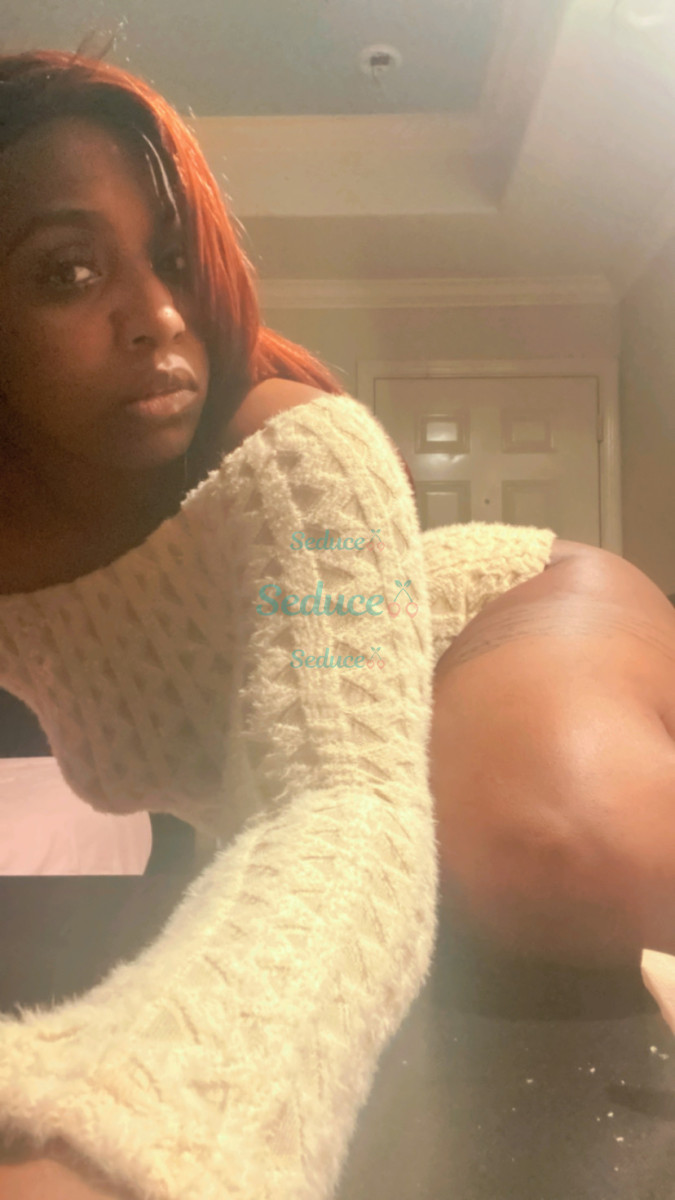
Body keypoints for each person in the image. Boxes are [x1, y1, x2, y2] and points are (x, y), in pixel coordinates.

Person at [0, 45, 673, 1200]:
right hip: (304, 771)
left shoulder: (289, 439)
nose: (157, 316)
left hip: (492, 616)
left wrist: (132, 1119)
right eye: (69, 272)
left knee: (546, 841)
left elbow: (339, 794)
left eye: (174, 261)